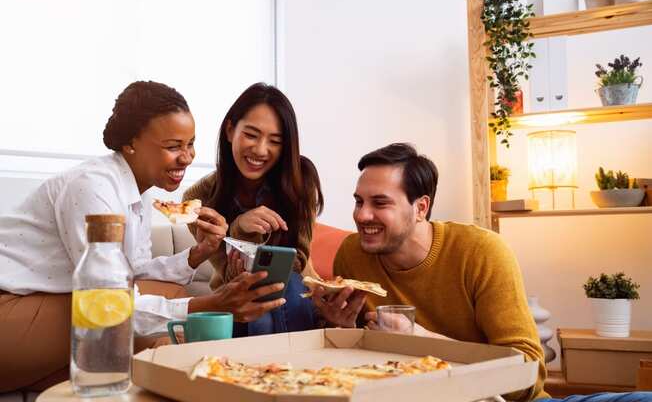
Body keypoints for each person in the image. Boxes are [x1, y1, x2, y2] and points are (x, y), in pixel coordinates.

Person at [0, 81, 286, 392]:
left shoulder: (136, 196)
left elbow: (133, 273)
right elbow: (110, 301)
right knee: (170, 306)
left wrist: (199, 252)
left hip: (34, 313)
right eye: (173, 146)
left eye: (190, 144)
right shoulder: (93, 187)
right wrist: (209, 303)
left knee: (166, 303)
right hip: (10, 309)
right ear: (131, 143)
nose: (187, 157)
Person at [312, 143, 652, 402]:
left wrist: (424, 341)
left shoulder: (481, 252)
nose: (362, 215)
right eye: (359, 201)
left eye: (380, 203)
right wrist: (341, 329)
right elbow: (359, 372)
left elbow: (529, 373)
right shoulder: (353, 255)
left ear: (421, 207)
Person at [183, 82, 323, 336]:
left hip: (295, 303)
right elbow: (226, 276)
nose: (260, 150)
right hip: (235, 304)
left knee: (286, 283)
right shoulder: (198, 200)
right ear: (229, 130)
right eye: (251, 134)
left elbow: (299, 260)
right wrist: (239, 230)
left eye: (275, 141)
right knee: (249, 296)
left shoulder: (300, 182)